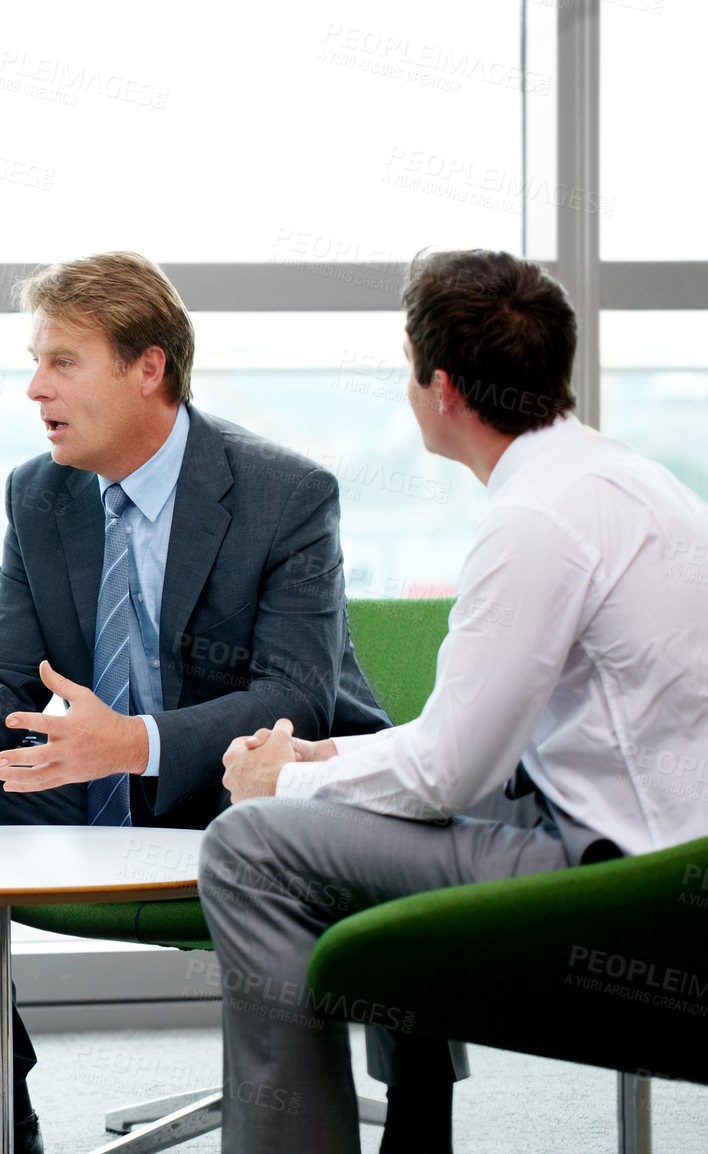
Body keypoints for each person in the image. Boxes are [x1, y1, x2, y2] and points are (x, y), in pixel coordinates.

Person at [0, 251, 457, 1154]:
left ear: (149, 368)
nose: (35, 389)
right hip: (116, 785)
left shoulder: (284, 494)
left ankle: (420, 1104)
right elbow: (4, 661)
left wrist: (137, 741)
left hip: (262, 780)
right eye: (36, 361)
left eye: (62, 361)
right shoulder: (40, 492)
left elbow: (295, 696)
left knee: (395, 820)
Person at [203, 249, 708, 1153]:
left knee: (249, 848)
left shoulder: (533, 522)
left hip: (628, 887)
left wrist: (282, 786)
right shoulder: (623, 479)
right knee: (358, 798)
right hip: (663, 848)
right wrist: (329, 764)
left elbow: (441, 776)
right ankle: (417, 1127)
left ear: (440, 388)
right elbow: (470, 744)